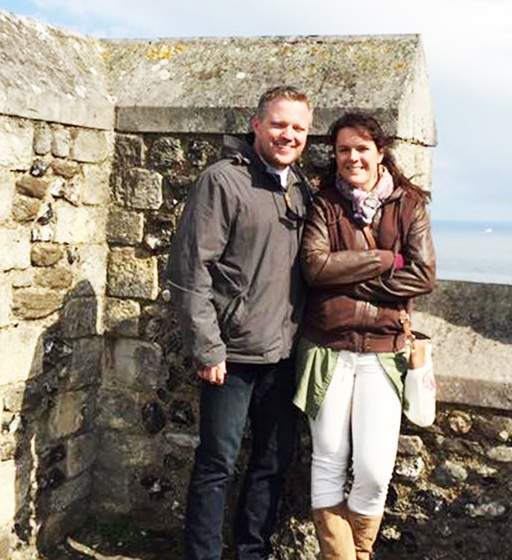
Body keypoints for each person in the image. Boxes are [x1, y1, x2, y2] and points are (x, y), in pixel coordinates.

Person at [167, 85, 314, 560]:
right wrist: (207, 348)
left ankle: (253, 552)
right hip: (230, 356)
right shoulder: (223, 181)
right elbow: (190, 270)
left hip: (285, 353)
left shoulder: (301, 189)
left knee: (272, 463)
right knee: (217, 465)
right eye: (278, 124)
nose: (288, 135)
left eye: (298, 128)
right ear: (256, 125)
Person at [293, 112, 436, 559]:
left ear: (380, 152)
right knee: (329, 460)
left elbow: (424, 275)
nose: (352, 157)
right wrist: (385, 260)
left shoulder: (409, 205)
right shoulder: (325, 204)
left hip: (383, 351)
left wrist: (347, 281)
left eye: (361, 148)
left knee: (374, 470)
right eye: (343, 150)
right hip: (328, 349)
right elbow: (315, 267)